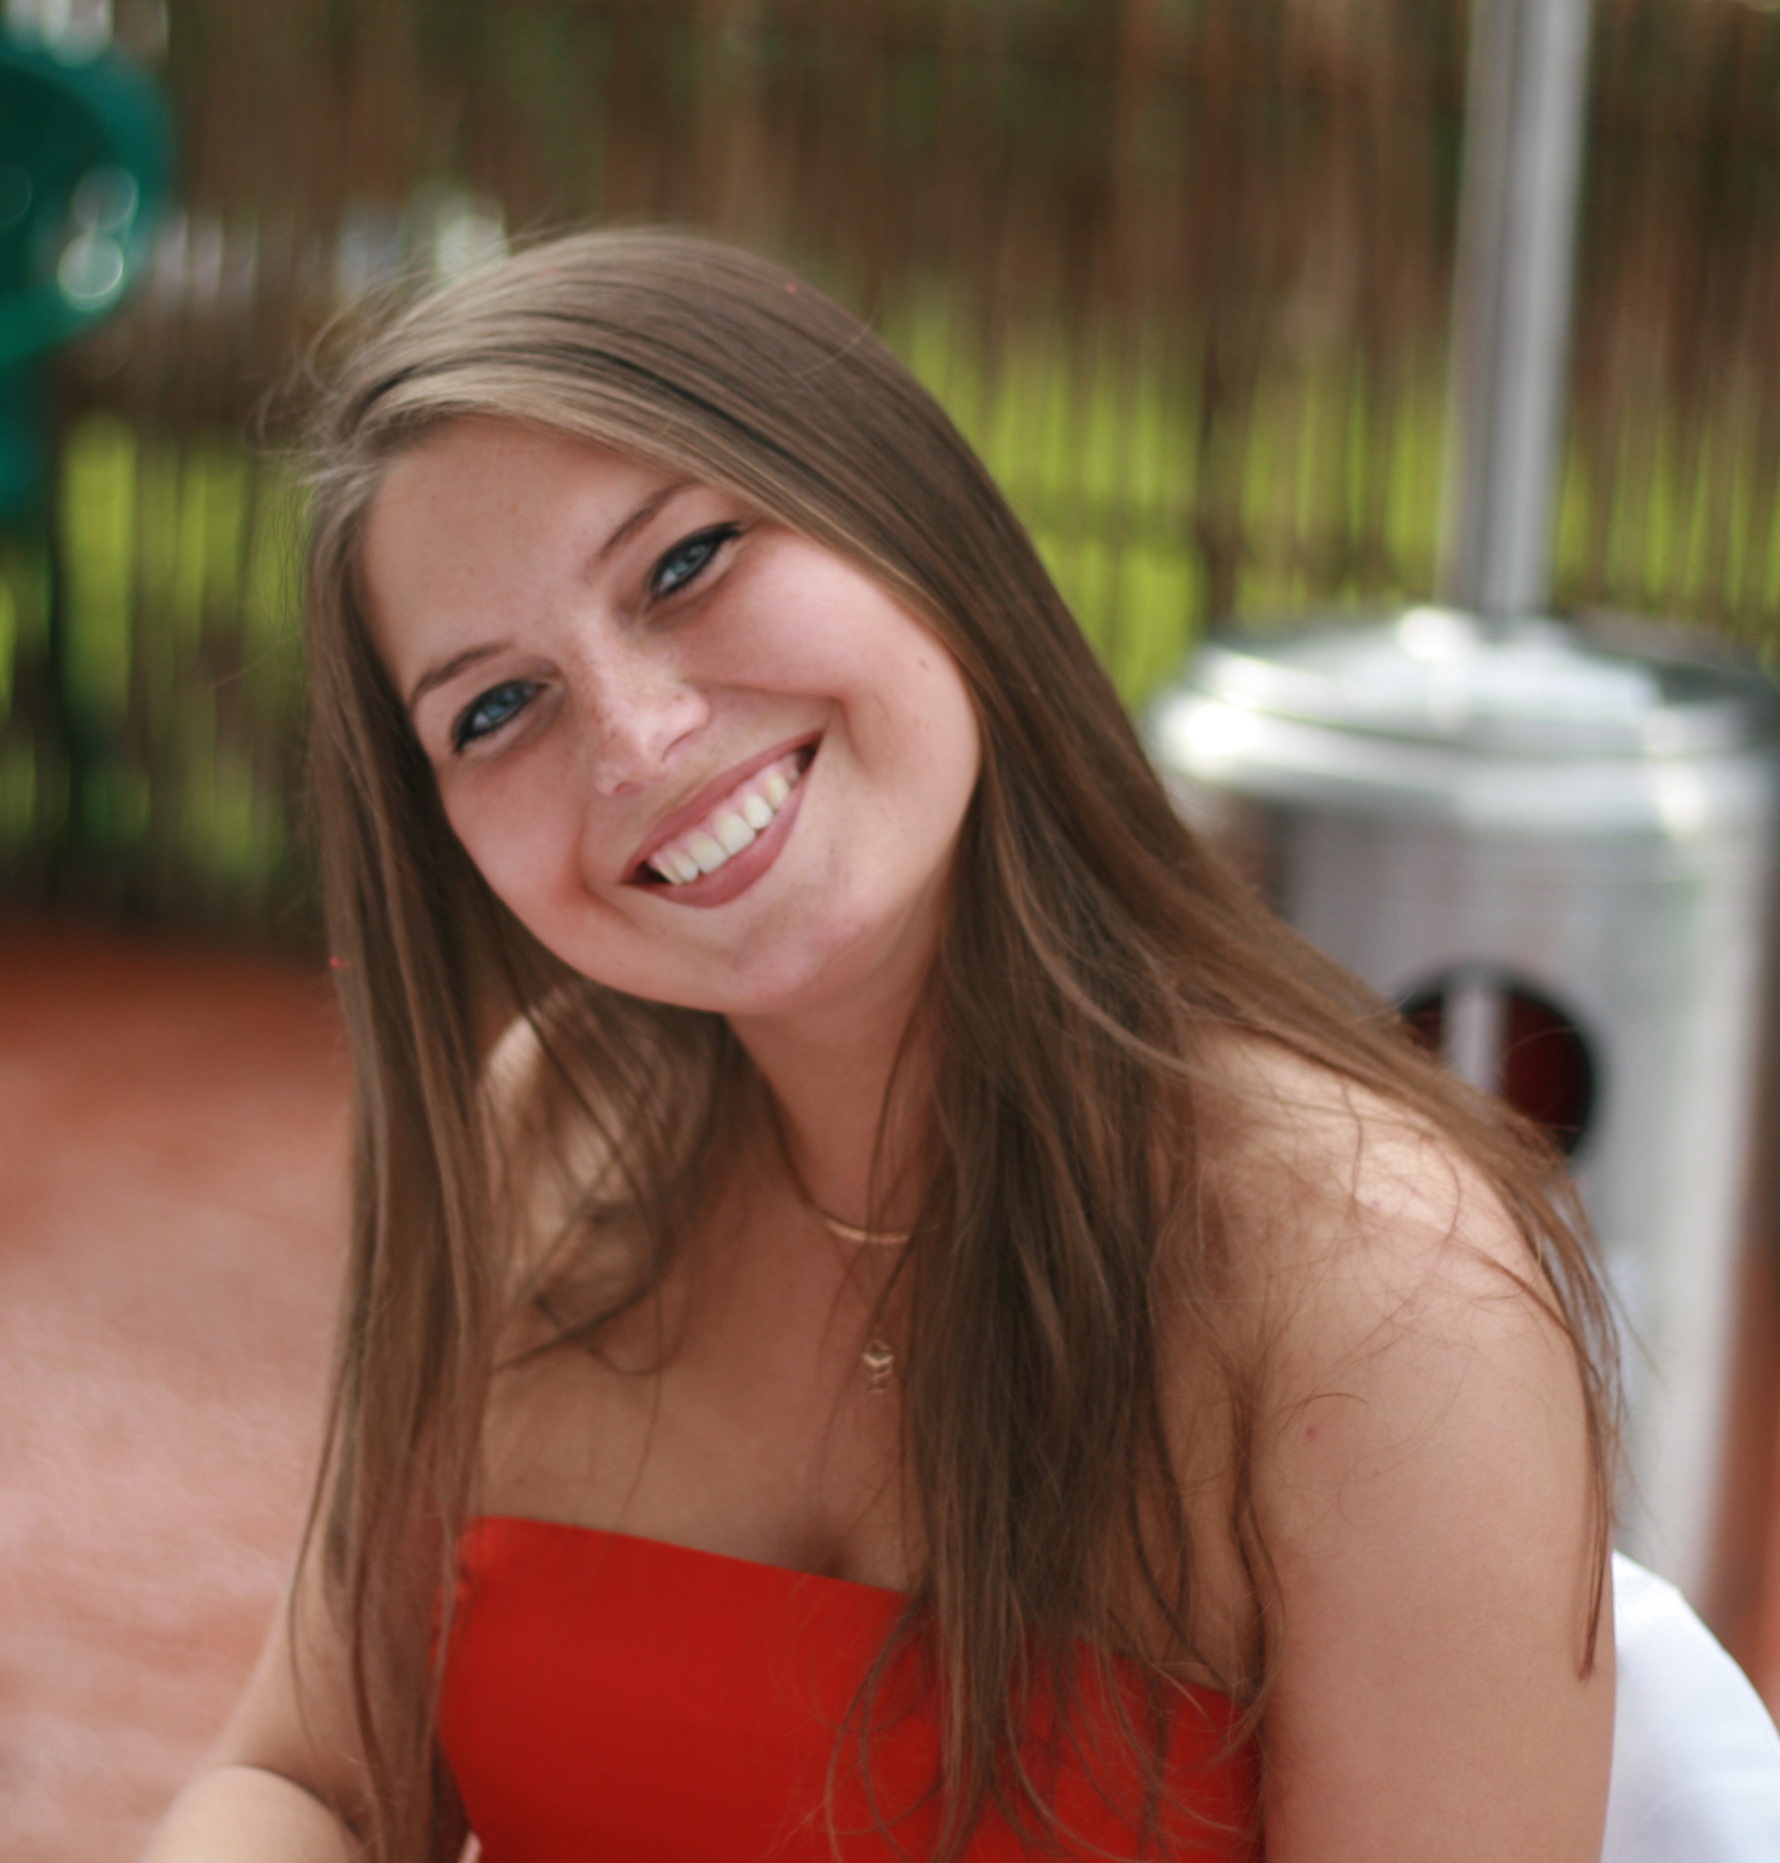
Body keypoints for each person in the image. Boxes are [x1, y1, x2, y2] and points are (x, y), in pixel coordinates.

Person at [146, 228, 1626, 1862]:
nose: (636, 740)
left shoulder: (1381, 1293)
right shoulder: (552, 1135)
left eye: (685, 563)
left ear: (902, 516)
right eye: (494, 708)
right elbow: (304, 1776)